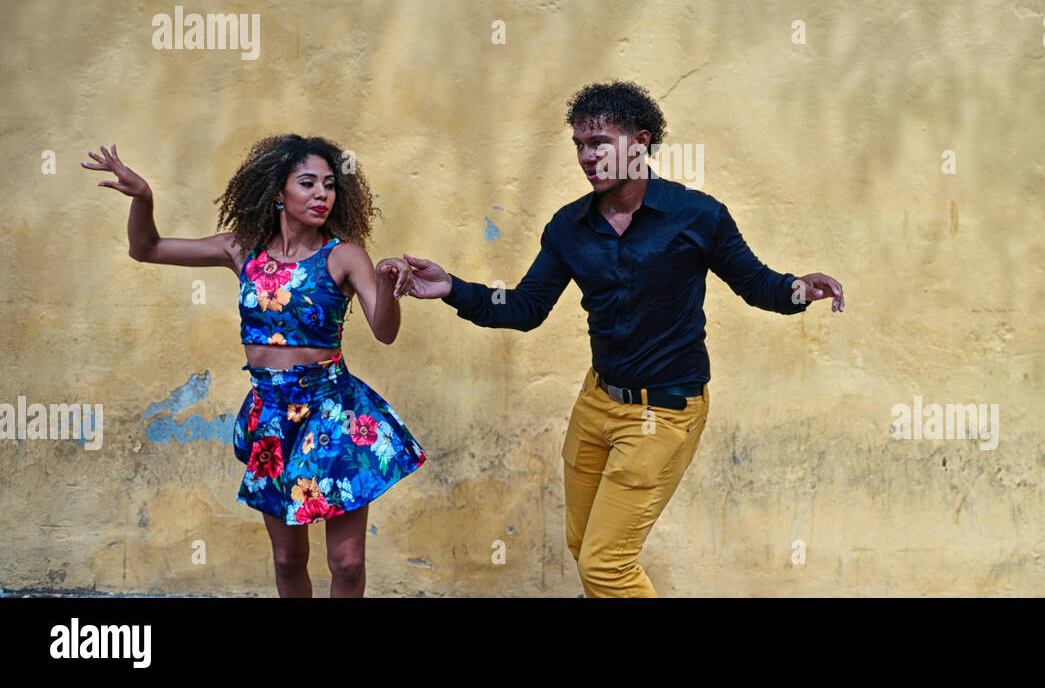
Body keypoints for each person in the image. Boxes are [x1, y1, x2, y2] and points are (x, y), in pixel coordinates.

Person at [400, 81, 844, 596]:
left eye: (599, 143)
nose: (587, 157)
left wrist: (797, 289)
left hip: (664, 412)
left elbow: (755, 283)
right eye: (579, 147)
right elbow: (525, 308)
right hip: (596, 403)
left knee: (607, 565)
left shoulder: (697, 216)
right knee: (585, 547)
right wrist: (453, 288)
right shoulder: (569, 227)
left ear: (639, 141)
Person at [83, 135, 426, 598]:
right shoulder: (241, 250)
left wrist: (388, 285)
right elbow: (147, 249)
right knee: (287, 560)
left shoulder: (344, 256)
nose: (322, 194)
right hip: (270, 415)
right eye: (307, 183)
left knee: (346, 563)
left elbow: (384, 331)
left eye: (329, 185)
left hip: (334, 413)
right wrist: (144, 199)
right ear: (278, 192)